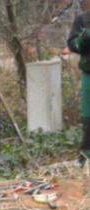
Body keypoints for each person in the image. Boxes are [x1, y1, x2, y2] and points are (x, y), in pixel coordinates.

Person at [68, 0, 90, 160]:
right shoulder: (83, 20)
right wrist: (83, 39)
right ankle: (86, 154)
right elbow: (72, 44)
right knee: (88, 117)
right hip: (89, 74)